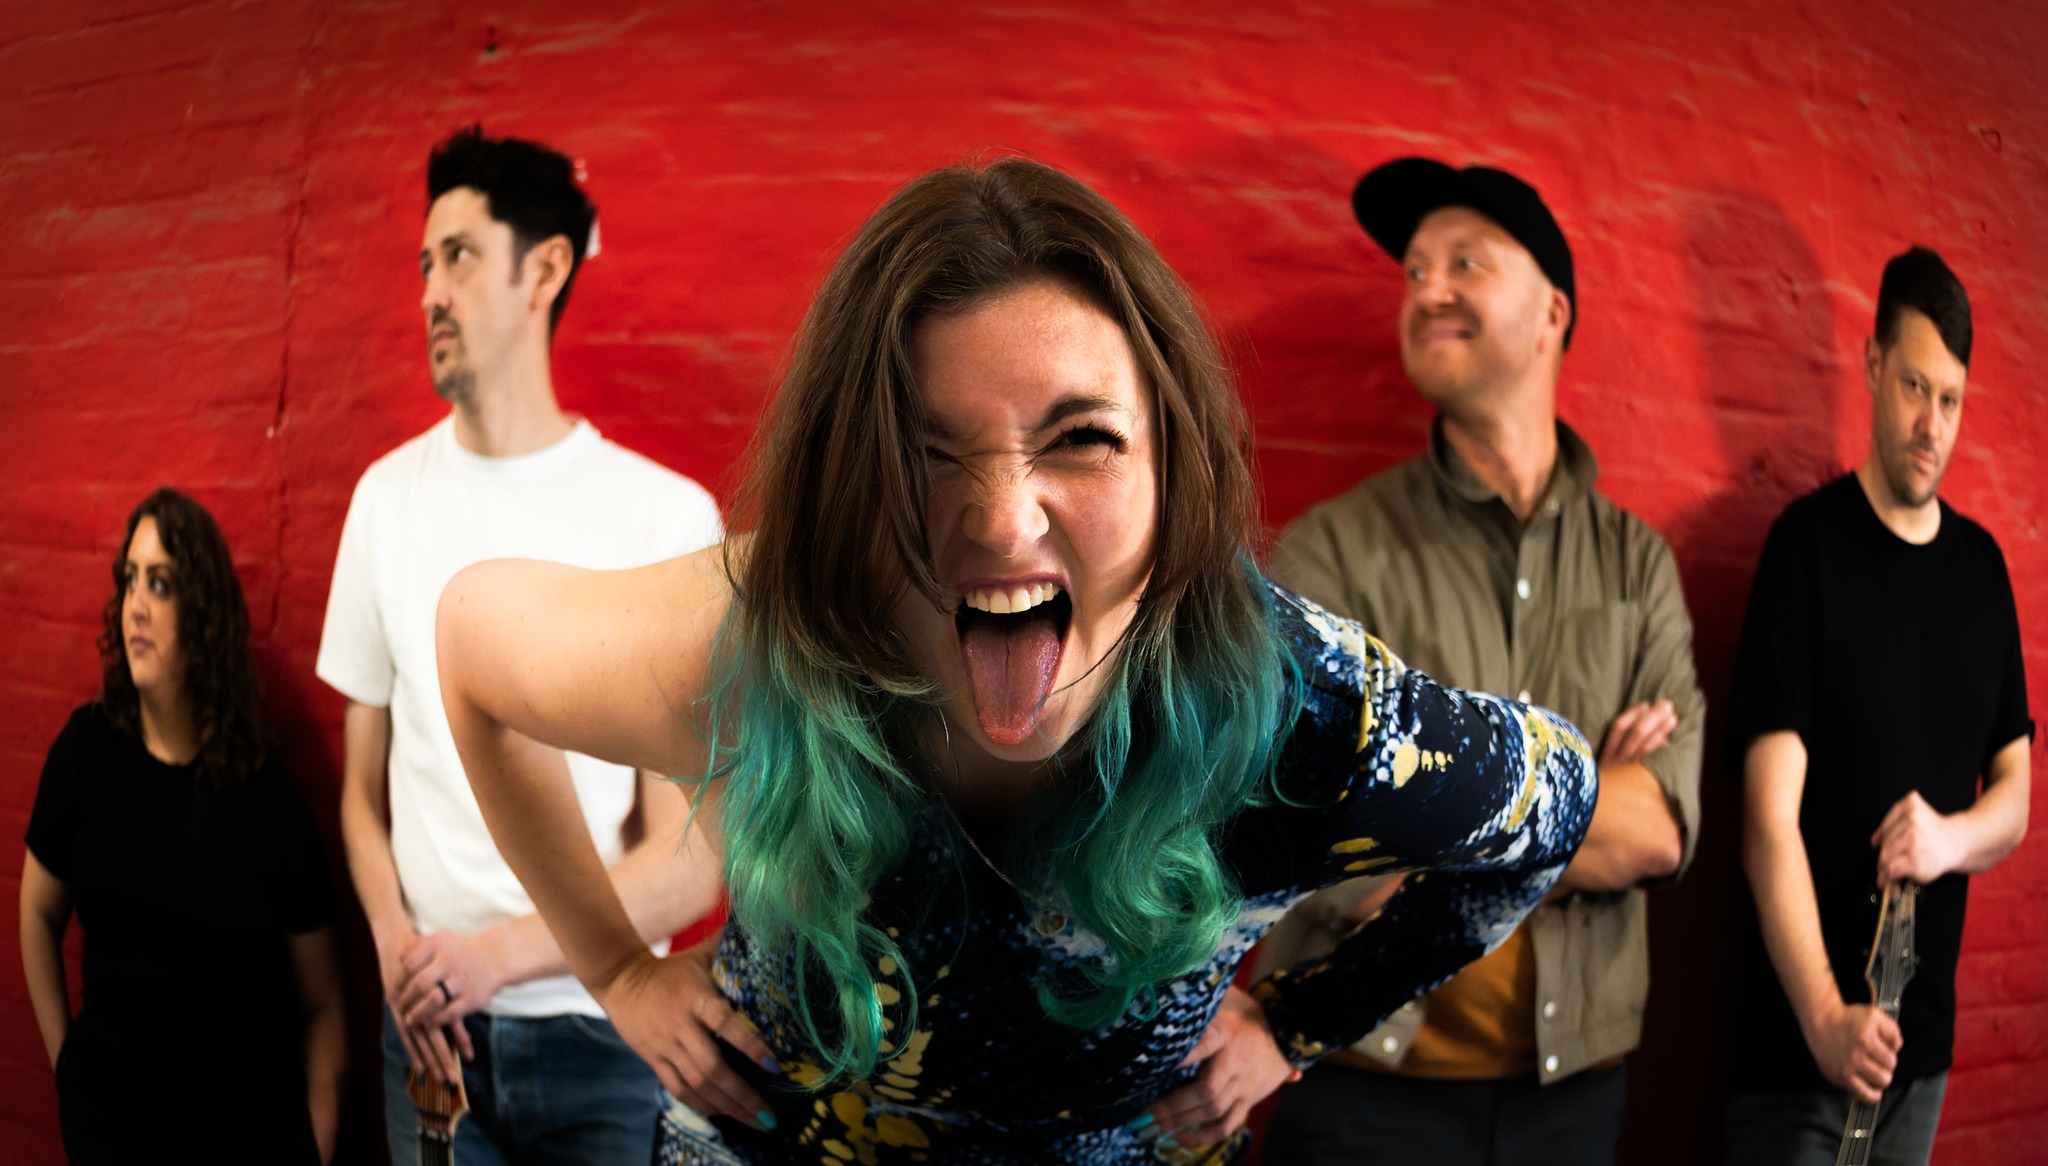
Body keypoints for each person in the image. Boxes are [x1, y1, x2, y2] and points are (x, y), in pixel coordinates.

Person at [432, 156, 1599, 1166]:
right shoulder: (762, 640)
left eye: (1081, 437)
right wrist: (619, 972)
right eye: (920, 448)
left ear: (1176, 467)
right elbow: (474, 638)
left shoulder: (1305, 710)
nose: (999, 522)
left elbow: (1555, 800)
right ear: (844, 484)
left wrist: (1296, 1022)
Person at [1254, 158, 1704, 1165]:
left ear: (1552, 312)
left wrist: (1433, 825)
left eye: (1465, 262)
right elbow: (1312, 836)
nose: (1428, 289)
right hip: (1364, 1097)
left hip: (1570, 1103)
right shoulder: (1331, 554)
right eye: (1415, 270)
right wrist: (1580, 794)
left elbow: (1658, 830)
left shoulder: (1636, 566)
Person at [316, 126, 725, 1163]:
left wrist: (492, 958)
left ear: (543, 270)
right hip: (428, 1033)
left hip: (603, 1032)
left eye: (457, 256)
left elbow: (688, 857)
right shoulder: (384, 501)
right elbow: (361, 796)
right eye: (423, 264)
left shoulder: (663, 519)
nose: (429, 293)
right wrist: (398, 949)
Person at [1724, 246, 2030, 1166]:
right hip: (1794, 1061)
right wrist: (1824, 1017)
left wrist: (1948, 839)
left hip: (1918, 1064)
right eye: (1913, 387)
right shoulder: (1804, 552)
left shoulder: (1983, 572)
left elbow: (2015, 797)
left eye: (1951, 400)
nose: (1932, 424)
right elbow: (1766, 821)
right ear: (1871, 366)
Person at [19, 488, 347, 1163]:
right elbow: (36, 915)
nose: (135, 605)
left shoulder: (266, 799)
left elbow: (324, 1005)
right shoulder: (86, 751)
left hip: (244, 1139)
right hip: (111, 1135)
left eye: (161, 584)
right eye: (130, 579)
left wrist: (310, 1147)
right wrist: (68, 1073)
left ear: (203, 615)